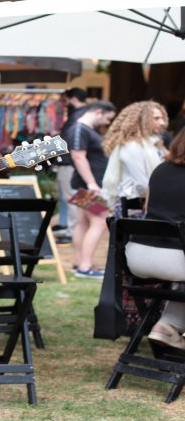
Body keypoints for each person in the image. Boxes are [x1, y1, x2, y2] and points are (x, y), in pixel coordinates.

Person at [126, 128, 185, 349]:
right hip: (176, 260)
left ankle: (167, 325)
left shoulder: (160, 170)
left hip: (136, 257)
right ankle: (170, 324)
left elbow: (148, 208)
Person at [68, 100, 117, 279]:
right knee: (100, 221)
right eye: (107, 118)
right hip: (88, 186)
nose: (107, 123)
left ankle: (80, 263)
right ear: (98, 112)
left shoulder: (87, 130)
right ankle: (85, 266)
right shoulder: (80, 129)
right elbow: (78, 157)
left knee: (84, 223)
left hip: (87, 186)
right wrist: (91, 184)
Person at [101, 101, 168, 218]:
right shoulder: (132, 146)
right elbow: (142, 184)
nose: (162, 122)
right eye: (156, 118)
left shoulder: (152, 144)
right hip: (134, 206)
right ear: (142, 119)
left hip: (146, 203)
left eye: (162, 118)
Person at [55, 87, 88, 245]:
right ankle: (75, 229)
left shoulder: (77, 117)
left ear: (73, 99)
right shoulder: (84, 115)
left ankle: (73, 231)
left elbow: (72, 143)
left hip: (71, 162)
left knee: (72, 196)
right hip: (77, 163)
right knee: (77, 196)